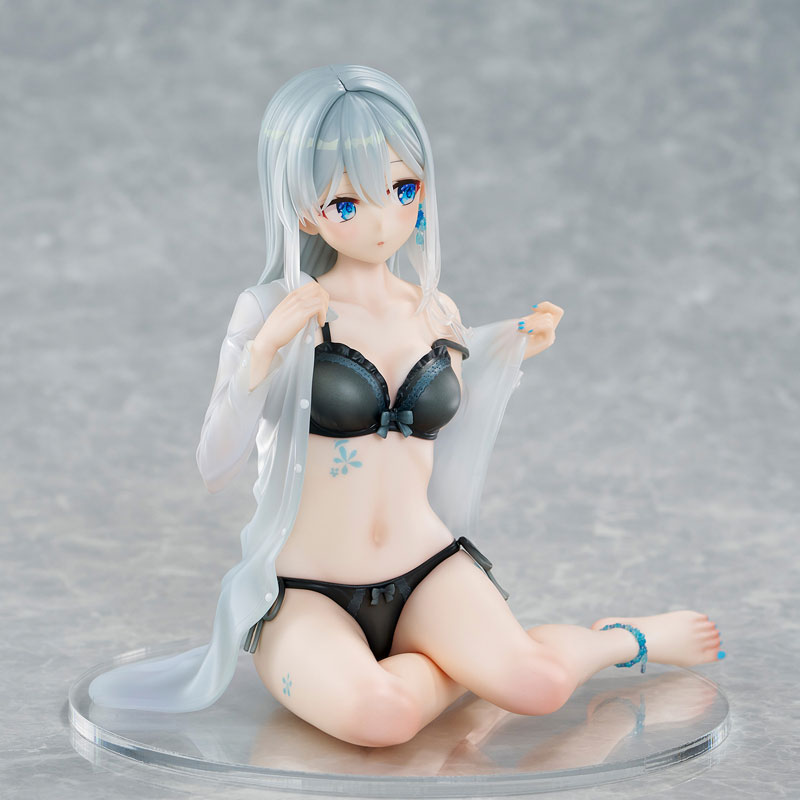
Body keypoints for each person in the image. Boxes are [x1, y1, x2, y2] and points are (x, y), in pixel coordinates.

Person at [88, 65, 723, 747]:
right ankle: (456, 672)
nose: (384, 219)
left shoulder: (435, 309)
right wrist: (264, 352)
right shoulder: (270, 308)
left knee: (539, 686)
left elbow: (453, 405)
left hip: (428, 569)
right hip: (306, 591)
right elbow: (215, 463)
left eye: (402, 189)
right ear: (301, 208)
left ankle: (619, 639)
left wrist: (511, 345)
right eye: (348, 203)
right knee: (380, 719)